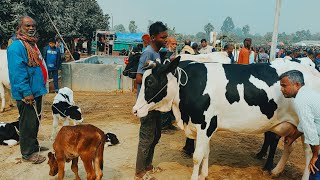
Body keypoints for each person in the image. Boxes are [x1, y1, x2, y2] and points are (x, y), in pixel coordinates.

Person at [7, 16, 48, 164]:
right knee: (27, 123)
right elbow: (17, 73)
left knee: (35, 122)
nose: (31, 28)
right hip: (27, 94)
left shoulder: (31, 45)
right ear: (19, 28)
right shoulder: (16, 47)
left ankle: (34, 146)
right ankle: (27, 153)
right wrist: (26, 92)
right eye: (27, 26)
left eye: (33, 26)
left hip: (36, 90)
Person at [135, 21, 168, 180]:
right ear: (153, 38)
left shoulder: (157, 54)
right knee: (146, 137)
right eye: (163, 37)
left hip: (156, 103)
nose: (166, 40)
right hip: (147, 103)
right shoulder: (148, 53)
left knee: (156, 135)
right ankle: (139, 172)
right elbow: (139, 77)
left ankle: (148, 165)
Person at [280, 70, 320, 179]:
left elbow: (310, 130)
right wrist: (293, 137)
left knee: (315, 174)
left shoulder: (301, 100)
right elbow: (304, 124)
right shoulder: (307, 93)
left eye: (284, 86)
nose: (281, 89)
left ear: (297, 85)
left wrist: (315, 156)